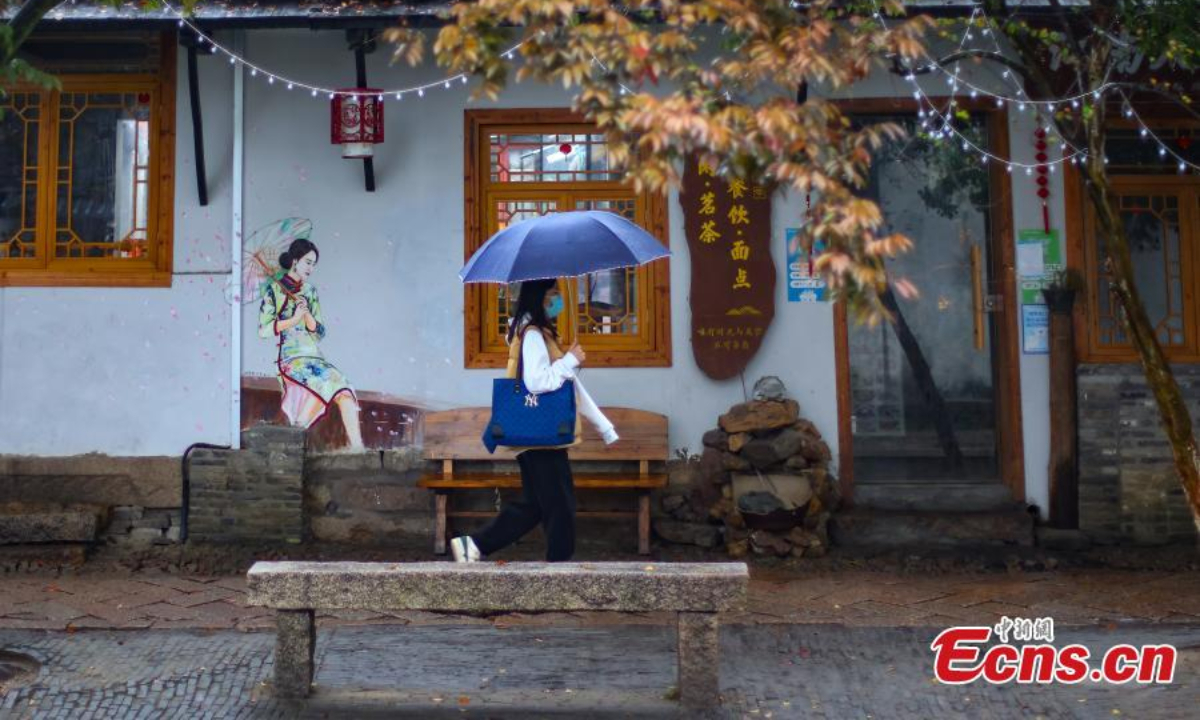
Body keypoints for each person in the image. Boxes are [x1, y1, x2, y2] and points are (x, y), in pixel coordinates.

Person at [451, 278, 618, 562]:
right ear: (540, 296)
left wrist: (604, 426)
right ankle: (559, 567)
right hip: (542, 435)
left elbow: (570, 387)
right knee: (560, 505)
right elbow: (537, 382)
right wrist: (569, 361)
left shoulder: (534, 331)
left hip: (537, 433)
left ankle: (474, 546)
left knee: (537, 505)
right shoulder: (532, 335)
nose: (558, 300)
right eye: (553, 293)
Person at [258, 238, 364, 449]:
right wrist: (294, 319)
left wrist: (307, 318)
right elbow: (264, 330)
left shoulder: (310, 291)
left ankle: (358, 448)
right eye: (307, 262)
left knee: (344, 389)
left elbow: (319, 333)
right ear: (295, 261)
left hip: (314, 357)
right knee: (325, 387)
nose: (311, 268)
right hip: (291, 359)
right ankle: (294, 441)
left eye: (313, 264)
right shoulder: (274, 290)